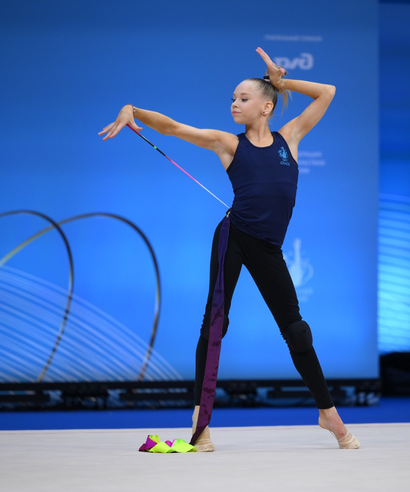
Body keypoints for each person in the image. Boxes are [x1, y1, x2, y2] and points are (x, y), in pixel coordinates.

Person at [99, 47, 360, 451]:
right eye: (233, 99)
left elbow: (327, 91)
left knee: (297, 331)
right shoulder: (228, 144)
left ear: (267, 106)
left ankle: (327, 413)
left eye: (243, 98)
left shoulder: (289, 137)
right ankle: (201, 424)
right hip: (233, 238)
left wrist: (282, 79)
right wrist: (133, 109)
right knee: (216, 324)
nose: (234, 104)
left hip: (268, 248)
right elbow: (171, 128)